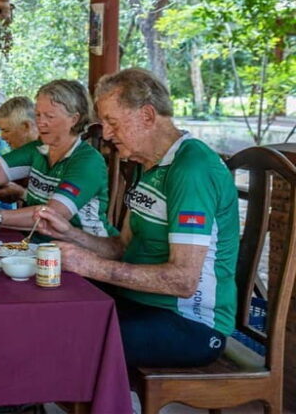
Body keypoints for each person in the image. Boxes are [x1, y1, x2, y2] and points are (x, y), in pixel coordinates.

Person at [33, 68, 239, 368]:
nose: (105, 134)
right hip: (139, 301)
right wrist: (68, 234)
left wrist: (91, 265)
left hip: (191, 324)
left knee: (65, 336)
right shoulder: (146, 163)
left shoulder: (191, 168)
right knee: (44, 309)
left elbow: (183, 281)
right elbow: (122, 247)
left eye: (113, 122)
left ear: (147, 116)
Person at [0, 80, 115, 240]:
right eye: (38, 115)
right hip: (38, 244)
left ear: (73, 119)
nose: (41, 122)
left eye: (49, 116)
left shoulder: (87, 161)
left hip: (84, 252)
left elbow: (52, 216)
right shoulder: (39, 148)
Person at [0, 96, 39, 203]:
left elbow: (55, 208)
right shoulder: (20, 153)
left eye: (6, 130)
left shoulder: (49, 153)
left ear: (25, 126)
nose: (2, 137)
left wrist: (21, 193)